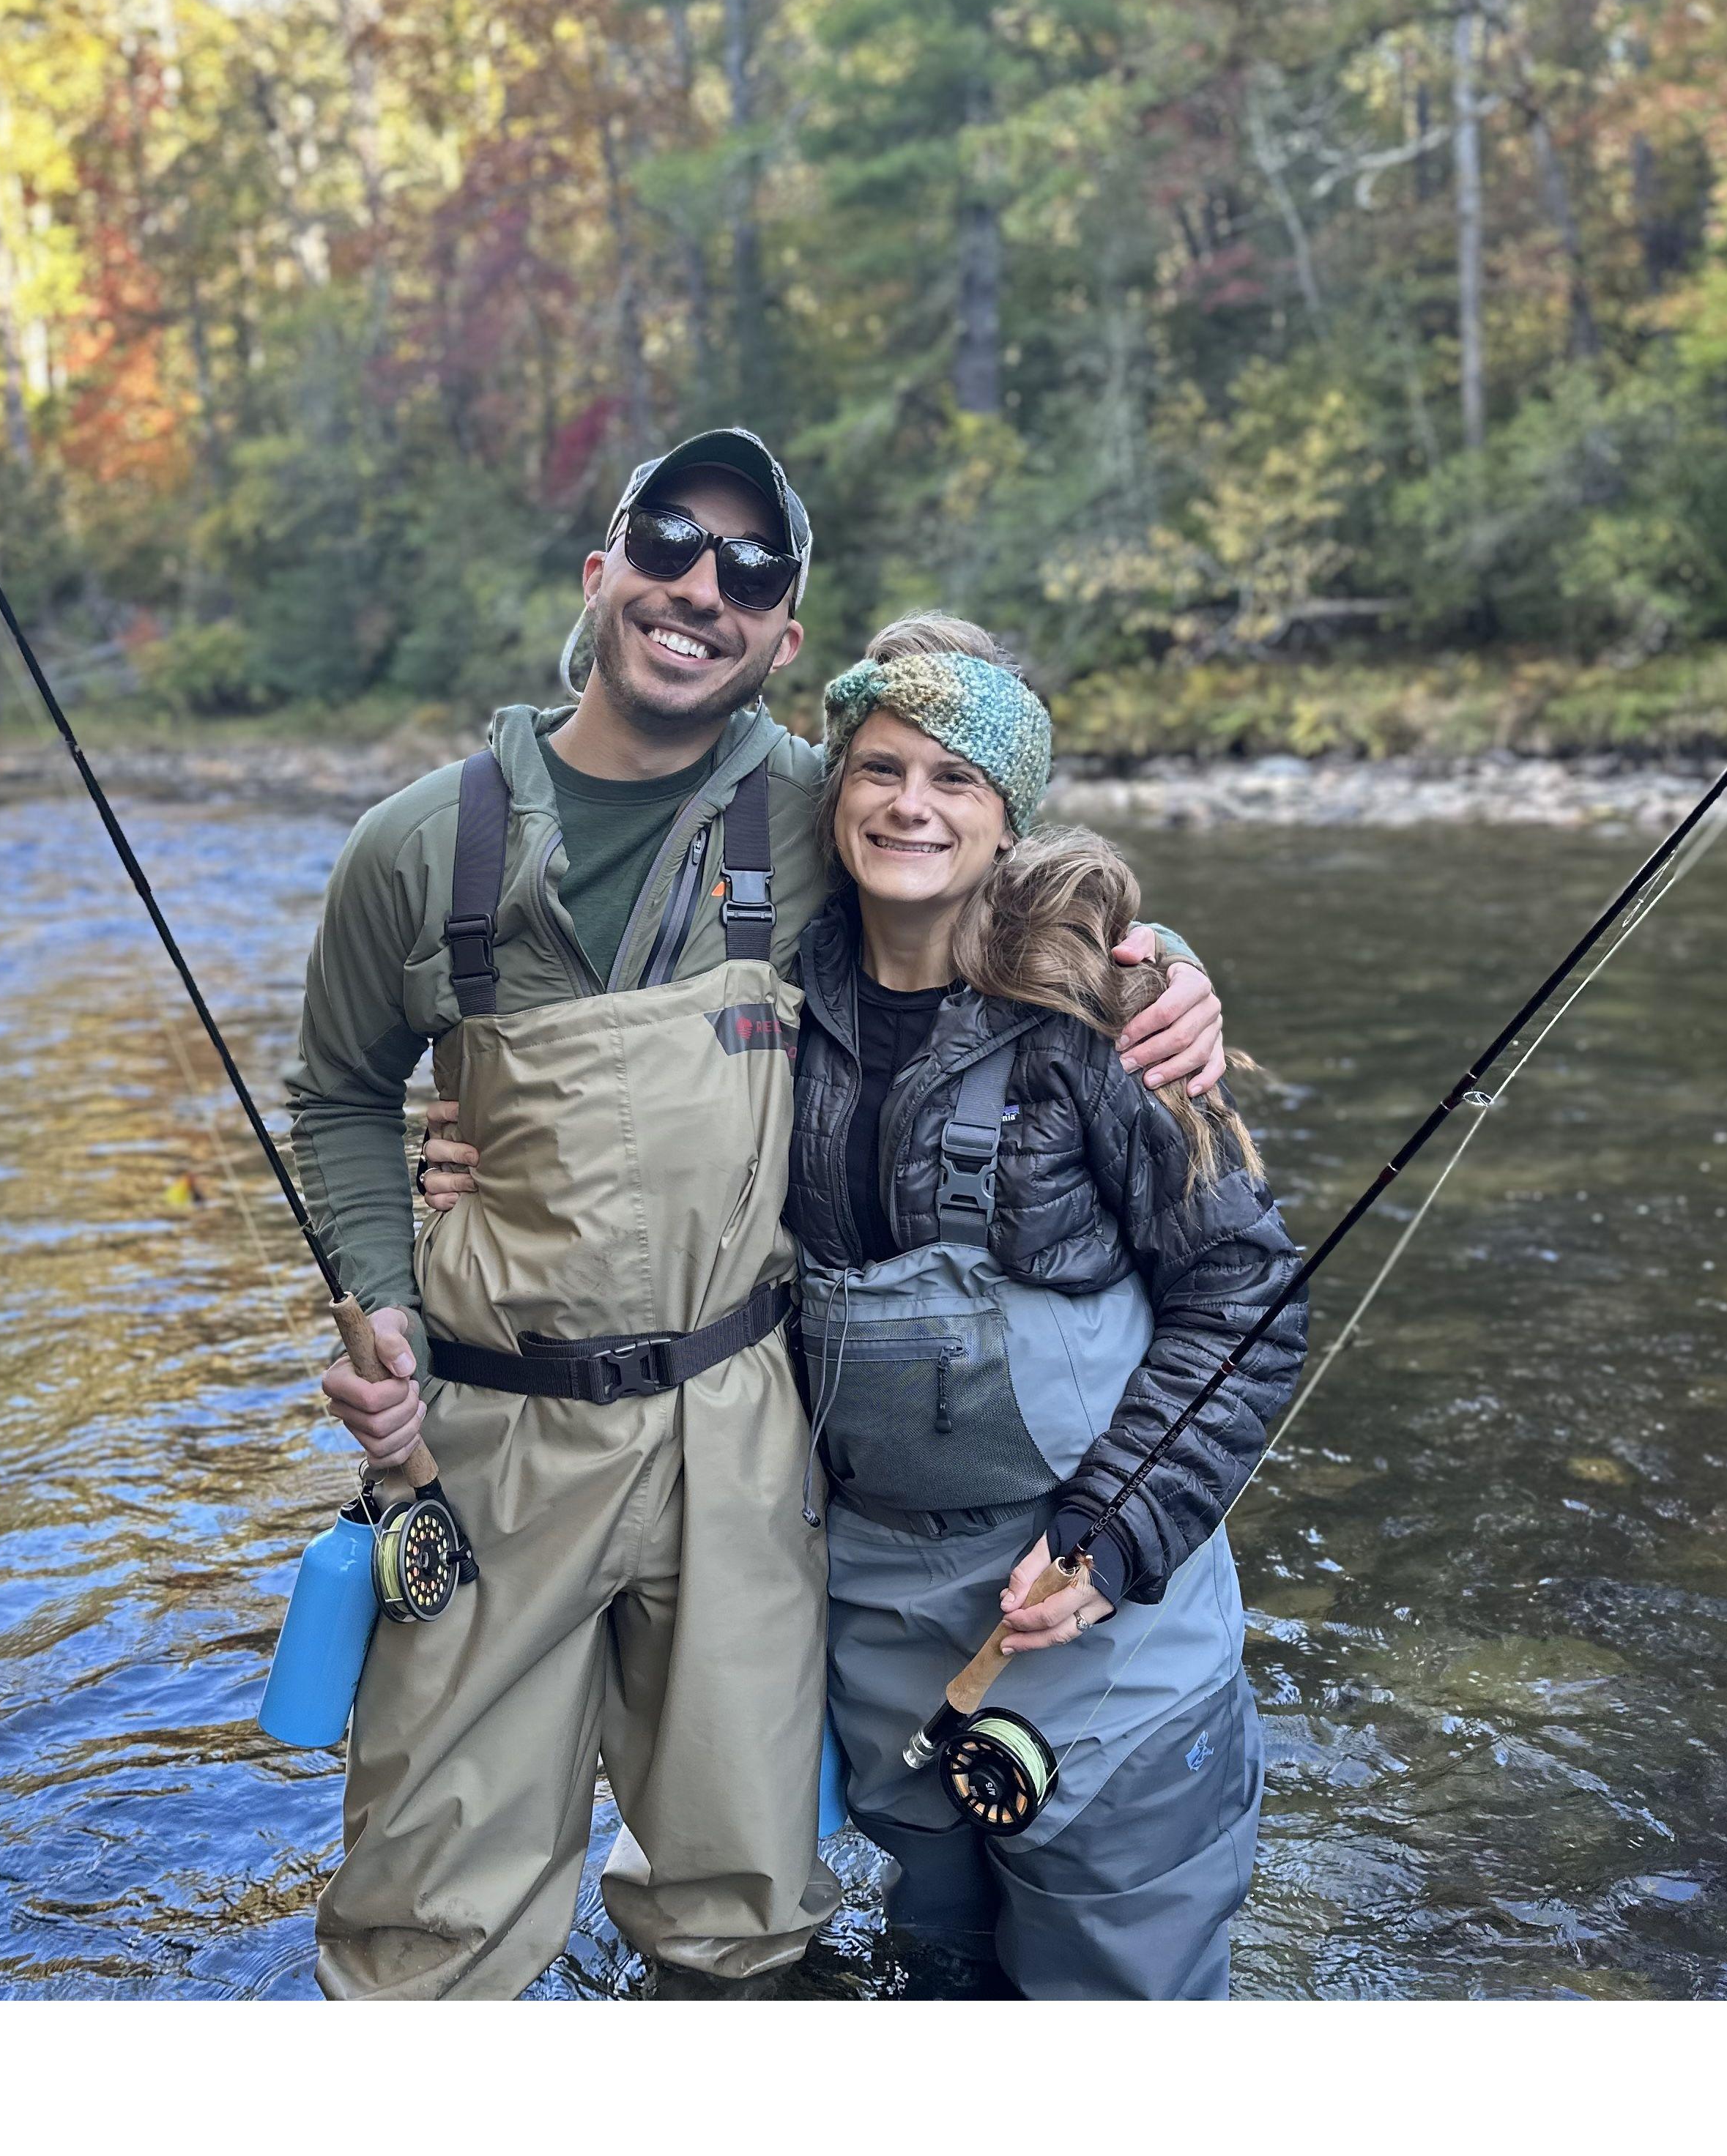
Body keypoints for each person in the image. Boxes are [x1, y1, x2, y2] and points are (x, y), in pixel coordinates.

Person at [283, 428, 1231, 2001]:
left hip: (745, 1424)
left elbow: (1009, 874)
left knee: (747, 1910)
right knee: (421, 1919)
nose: (699, 587)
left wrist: (1174, 966)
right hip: (487, 1433)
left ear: (786, 640)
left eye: (751, 570)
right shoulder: (412, 847)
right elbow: (336, 1101)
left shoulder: (825, 805)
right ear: (600, 578)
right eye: (667, 540)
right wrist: (377, 1295)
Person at [787, 619, 1307, 1998]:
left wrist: (1114, 1533)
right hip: (882, 1627)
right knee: (943, 1974)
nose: (911, 805)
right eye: (881, 769)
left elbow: (1245, 1299)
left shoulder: (1112, 1015)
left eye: (956, 779)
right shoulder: (768, 1003)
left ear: (1008, 817)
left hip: (1105, 1614)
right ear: (833, 794)